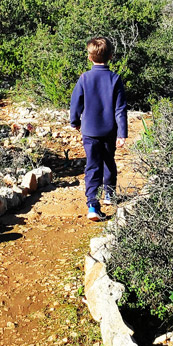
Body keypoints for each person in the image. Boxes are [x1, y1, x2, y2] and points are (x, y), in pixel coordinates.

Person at [69, 37, 128, 221]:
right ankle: (109, 194)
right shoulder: (115, 79)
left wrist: (74, 121)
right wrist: (122, 133)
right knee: (108, 161)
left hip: (89, 131)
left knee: (92, 166)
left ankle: (93, 205)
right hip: (109, 131)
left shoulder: (84, 78)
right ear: (111, 56)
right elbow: (120, 109)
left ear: (89, 57)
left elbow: (75, 102)